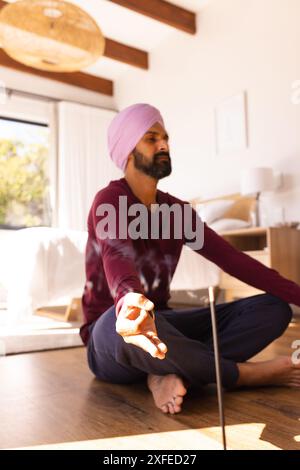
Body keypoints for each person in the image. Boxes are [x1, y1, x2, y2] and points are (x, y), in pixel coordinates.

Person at [81, 103, 300, 415]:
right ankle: (244, 375)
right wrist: (129, 300)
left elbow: (234, 260)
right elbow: (117, 252)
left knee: (274, 308)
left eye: (165, 138)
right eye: (151, 138)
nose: (164, 145)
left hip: (163, 324)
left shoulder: (178, 214)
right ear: (128, 150)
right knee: (113, 327)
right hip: (114, 332)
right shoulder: (110, 200)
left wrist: (297, 295)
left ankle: (164, 373)